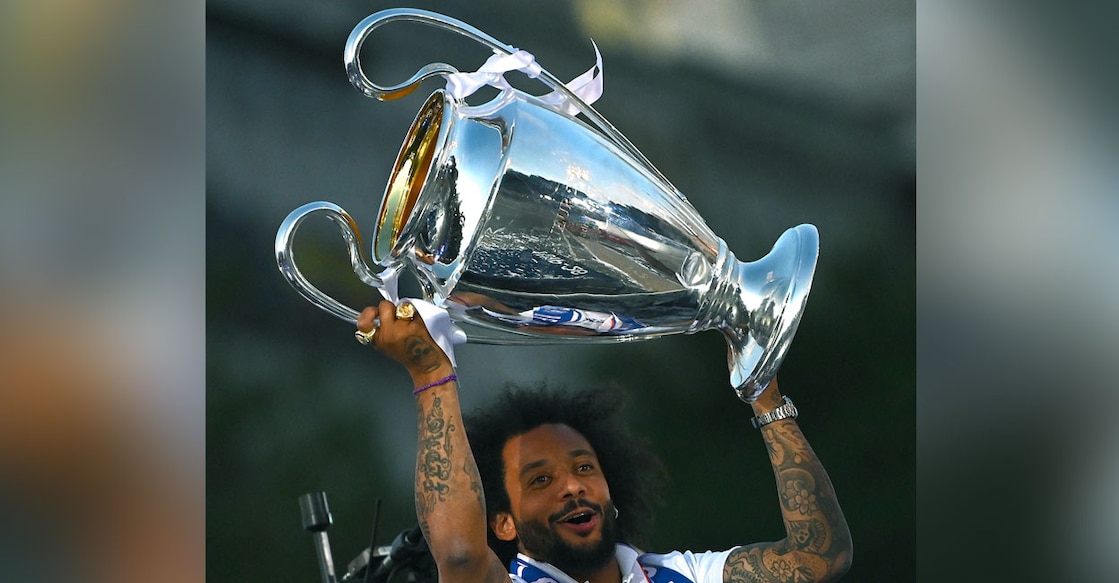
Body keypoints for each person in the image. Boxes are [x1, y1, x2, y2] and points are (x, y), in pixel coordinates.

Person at [357, 300, 852, 583]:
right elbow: (461, 554)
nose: (572, 487)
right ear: (503, 523)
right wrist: (431, 375)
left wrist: (764, 395)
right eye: (541, 479)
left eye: (585, 468)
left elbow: (817, 557)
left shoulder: (682, 576)